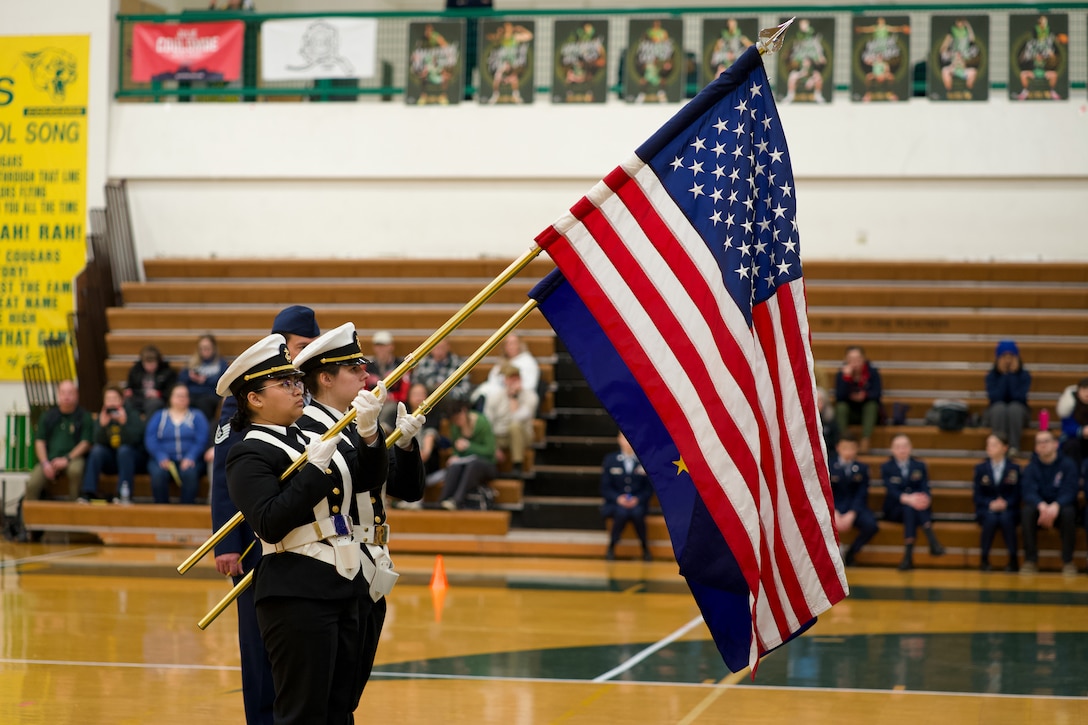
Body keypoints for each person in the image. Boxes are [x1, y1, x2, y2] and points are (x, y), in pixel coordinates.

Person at [220, 333, 385, 724]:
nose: (298, 390)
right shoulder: (248, 451)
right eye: (286, 384)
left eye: (297, 381)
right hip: (295, 591)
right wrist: (312, 471)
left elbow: (365, 482)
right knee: (303, 713)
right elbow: (270, 522)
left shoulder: (314, 437)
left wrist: (370, 435)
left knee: (340, 707)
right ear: (254, 399)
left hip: (343, 582)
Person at [292, 322, 425, 705]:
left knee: (348, 694)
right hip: (336, 564)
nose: (366, 374)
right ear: (326, 378)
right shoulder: (307, 430)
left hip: (373, 564)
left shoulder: (357, 420)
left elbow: (407, 489)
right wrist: (370, 437)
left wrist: (405, 445)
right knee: (328, 695)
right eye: (354, 369)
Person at [211, 304, 320, 725]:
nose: (304, 356)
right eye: (300, 347)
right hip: (255, 538)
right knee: (259, 647)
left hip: (305, 542)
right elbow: (226, 476)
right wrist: (227, 542)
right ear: (281, 344)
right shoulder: (252, 393)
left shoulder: (307, 394)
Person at [881, 433, 945, 571]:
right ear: (892, 449)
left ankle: (908, 557)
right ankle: (933, 542)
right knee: (909, 507)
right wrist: (908, 499)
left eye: (905, 446)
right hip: (895, 509)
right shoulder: (886, 467)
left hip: (916, 507)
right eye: (898, 447)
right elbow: (891, 491)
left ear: (910, 448)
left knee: (911, 509)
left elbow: (925, 486)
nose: (902, 449)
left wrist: (925, 498)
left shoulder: (920, 465)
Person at [1020, 429, 1079, 576]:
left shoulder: (1068, 464)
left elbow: (1070, 490)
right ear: (1035, 448)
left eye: (1046, 441)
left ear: (1055, 444)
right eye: (1039, 442)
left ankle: (1068, 562)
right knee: (1027, 512)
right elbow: (1028, 491)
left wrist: (1056, 505)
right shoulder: (1031, 467)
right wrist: (1041, 505)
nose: (1043, 445)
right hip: (1040, 508)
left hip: (1060, 507)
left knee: (1069, 513)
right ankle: (1030, 561)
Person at [23, 379, 93, 504]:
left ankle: (73, 508)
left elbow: (86, 443)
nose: (66, 396)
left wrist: (67, 458)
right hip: (49, 460)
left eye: (70, 393)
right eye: (63, 392)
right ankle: (27, 520)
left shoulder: (83, 416)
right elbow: (39, 441)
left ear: (76, 395)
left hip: (73, 458)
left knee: (75, 470)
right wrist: (45, 463)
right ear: (58, 395)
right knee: (33, 483)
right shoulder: (48, 416)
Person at [77, 385, 147, 504]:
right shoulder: (102, 416)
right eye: (108, 399)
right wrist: (103, 428)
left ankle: (123, 495)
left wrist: (124, 424)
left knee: (124, 450)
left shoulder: (131, 414)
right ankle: (88, 492)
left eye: (114, 398)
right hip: (112, 460)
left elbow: (138, 441)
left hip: (131, 460)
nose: (111, 402)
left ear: (122, 400)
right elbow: (95, 441)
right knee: (97, 451)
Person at [144, 383, 209, 504]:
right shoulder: (159, 416)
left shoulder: (197, 416)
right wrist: (161, 456)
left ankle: (186, 509)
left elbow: (201, 439)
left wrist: (191, 456)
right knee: (158, 474)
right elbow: (150, 438)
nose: (182, 398)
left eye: (185, 396)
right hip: (163, 458)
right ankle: (161, 509)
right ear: (171, 398)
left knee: (190, 473)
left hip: (190, 458)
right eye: (179, 395)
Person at [600, 432, 654, 561]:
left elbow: (648, 488)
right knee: (622, 512)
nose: (628, 441)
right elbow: (605, 487)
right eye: (624, 438)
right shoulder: (610, 460)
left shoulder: (643, 460)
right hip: (616, 503)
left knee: (637, 513)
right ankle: (612, 547)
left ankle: (645, 547)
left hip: (638, 503)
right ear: (618, 440)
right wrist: (618, 498)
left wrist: (638, 499)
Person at [972, 433, 1022, 572]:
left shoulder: (1014, 468)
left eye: (994, 445)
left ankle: (1013, 559)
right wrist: (990, 503)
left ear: (1004, 448)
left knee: (1006, 519)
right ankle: (984, 558)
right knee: (991, 519)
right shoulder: (981, 468)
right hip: (987, 508)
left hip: (1009, 508)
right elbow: (977, 495)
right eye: (988, 445)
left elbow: (1018, 493)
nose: (990, 448)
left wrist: (1006, 503)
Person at [438, 398, 497, 510]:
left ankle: (457, 500)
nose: (457, 422)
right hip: (465, 464)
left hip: (486, 465)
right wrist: (455, 455)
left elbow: (490, 451)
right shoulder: (455, 427)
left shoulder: (482, 422)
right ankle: (443, 500)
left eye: (458, 418)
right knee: (454, 466)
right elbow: (456, 449)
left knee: (473, 465)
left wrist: (469, 446)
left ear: (464, 411)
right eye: (454, 420)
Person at [829, 435, 878, 566]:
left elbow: (862, 493)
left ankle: (851, 552)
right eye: (845, 448)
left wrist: (852, 513)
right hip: (834, 508)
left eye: (851, 448)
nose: (848, 451)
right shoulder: (828, 465)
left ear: (856, 449)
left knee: (871, 525)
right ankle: (831, 556)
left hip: (855, 507)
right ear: (838, 448)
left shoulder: (862, 468)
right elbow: (827, 492)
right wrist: (834, 512)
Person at [482, 364, 538, 478]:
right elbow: (487, 422)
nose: (513, 382)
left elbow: (518, 417)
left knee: (514, 427)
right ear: (505, 380)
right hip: (500, 436)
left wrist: (514, 398)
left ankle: (518, 465)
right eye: (510, 379)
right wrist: (494, 447)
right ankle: (490, 469)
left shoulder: (531, 396)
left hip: (522, 435)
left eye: (516, 379)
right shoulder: (494, 397)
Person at [985, 340, 1031, 456]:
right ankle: (998, 445)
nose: (1008, 360)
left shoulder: (1024, 375)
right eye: (1004, 356)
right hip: (997, 411)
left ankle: (1014, 447)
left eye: (1011, 356)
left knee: (1014, 408)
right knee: (999, 408)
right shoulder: (991, 376)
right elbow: (995, 397)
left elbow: (1019, 397)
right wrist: (1004, 376)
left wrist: (1012, 375)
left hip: (1019, 412)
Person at [834, 345, 882, 453]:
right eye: (851, 359)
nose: (855, 362)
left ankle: (865, 441)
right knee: (841, 408)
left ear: (863, 359)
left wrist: (864, 396)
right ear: (846, 360)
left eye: (857, 359)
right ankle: (844, 440)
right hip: (850, 411)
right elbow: (839, 396)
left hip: (866, 411)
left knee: (872, 405)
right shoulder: (841, 374)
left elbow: (877, 394)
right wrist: (846, 378)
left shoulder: (872, 373)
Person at [179, 334, 229, 424]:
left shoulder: (221, 363)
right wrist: (191, 377)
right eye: (202, 348)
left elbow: (223, 382)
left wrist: (205, 380)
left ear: (213, 348)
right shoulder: (192, 362)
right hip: (192, 394)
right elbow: (181, 380)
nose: (204, 351)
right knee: (184, 399)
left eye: (207, 348)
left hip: (210, 395)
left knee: (203, 403)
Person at [365, 330, 410, 430]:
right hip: (373, 402)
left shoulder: (401, 366)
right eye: (378, 345)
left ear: (391, 346)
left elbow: (405, 392)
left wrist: (391, 397)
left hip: (394, 404)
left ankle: (380, 431)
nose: (381, 349)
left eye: (384, 345)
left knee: (389, 409)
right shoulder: (368, 367)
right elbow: (362, 389)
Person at [124, 345, 177, 417]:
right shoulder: (136, 370)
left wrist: (159, 394)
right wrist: (128, 391)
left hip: (158, 399)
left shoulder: (167, 372)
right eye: (146, 364)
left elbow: (171, 391)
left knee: (153, 404)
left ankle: (148, 427)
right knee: (126, 402)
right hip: (139, 397)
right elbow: (130, 386)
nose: (149, 367)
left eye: (152, 364)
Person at [1056, 377, 1088, 467]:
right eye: (1084, 390)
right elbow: (1066, 426)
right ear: (1078, 392)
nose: (1087, 393)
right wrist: (1082, 431)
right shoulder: (1069, 405)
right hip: (1073, 439)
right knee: (1072, 445)